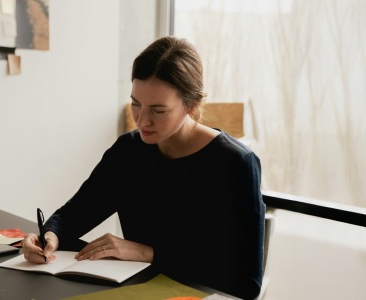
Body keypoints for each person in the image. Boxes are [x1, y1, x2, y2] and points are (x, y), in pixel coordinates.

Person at [22, 36, 265, 300]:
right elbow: (76, 213)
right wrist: (48, 237)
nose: (142, 120)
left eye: (158, 110)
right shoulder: (129, 151)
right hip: (138, 291)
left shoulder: (235, 163)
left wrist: (146, 252)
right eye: (136, 104)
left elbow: (246, 282)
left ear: (192, 106)